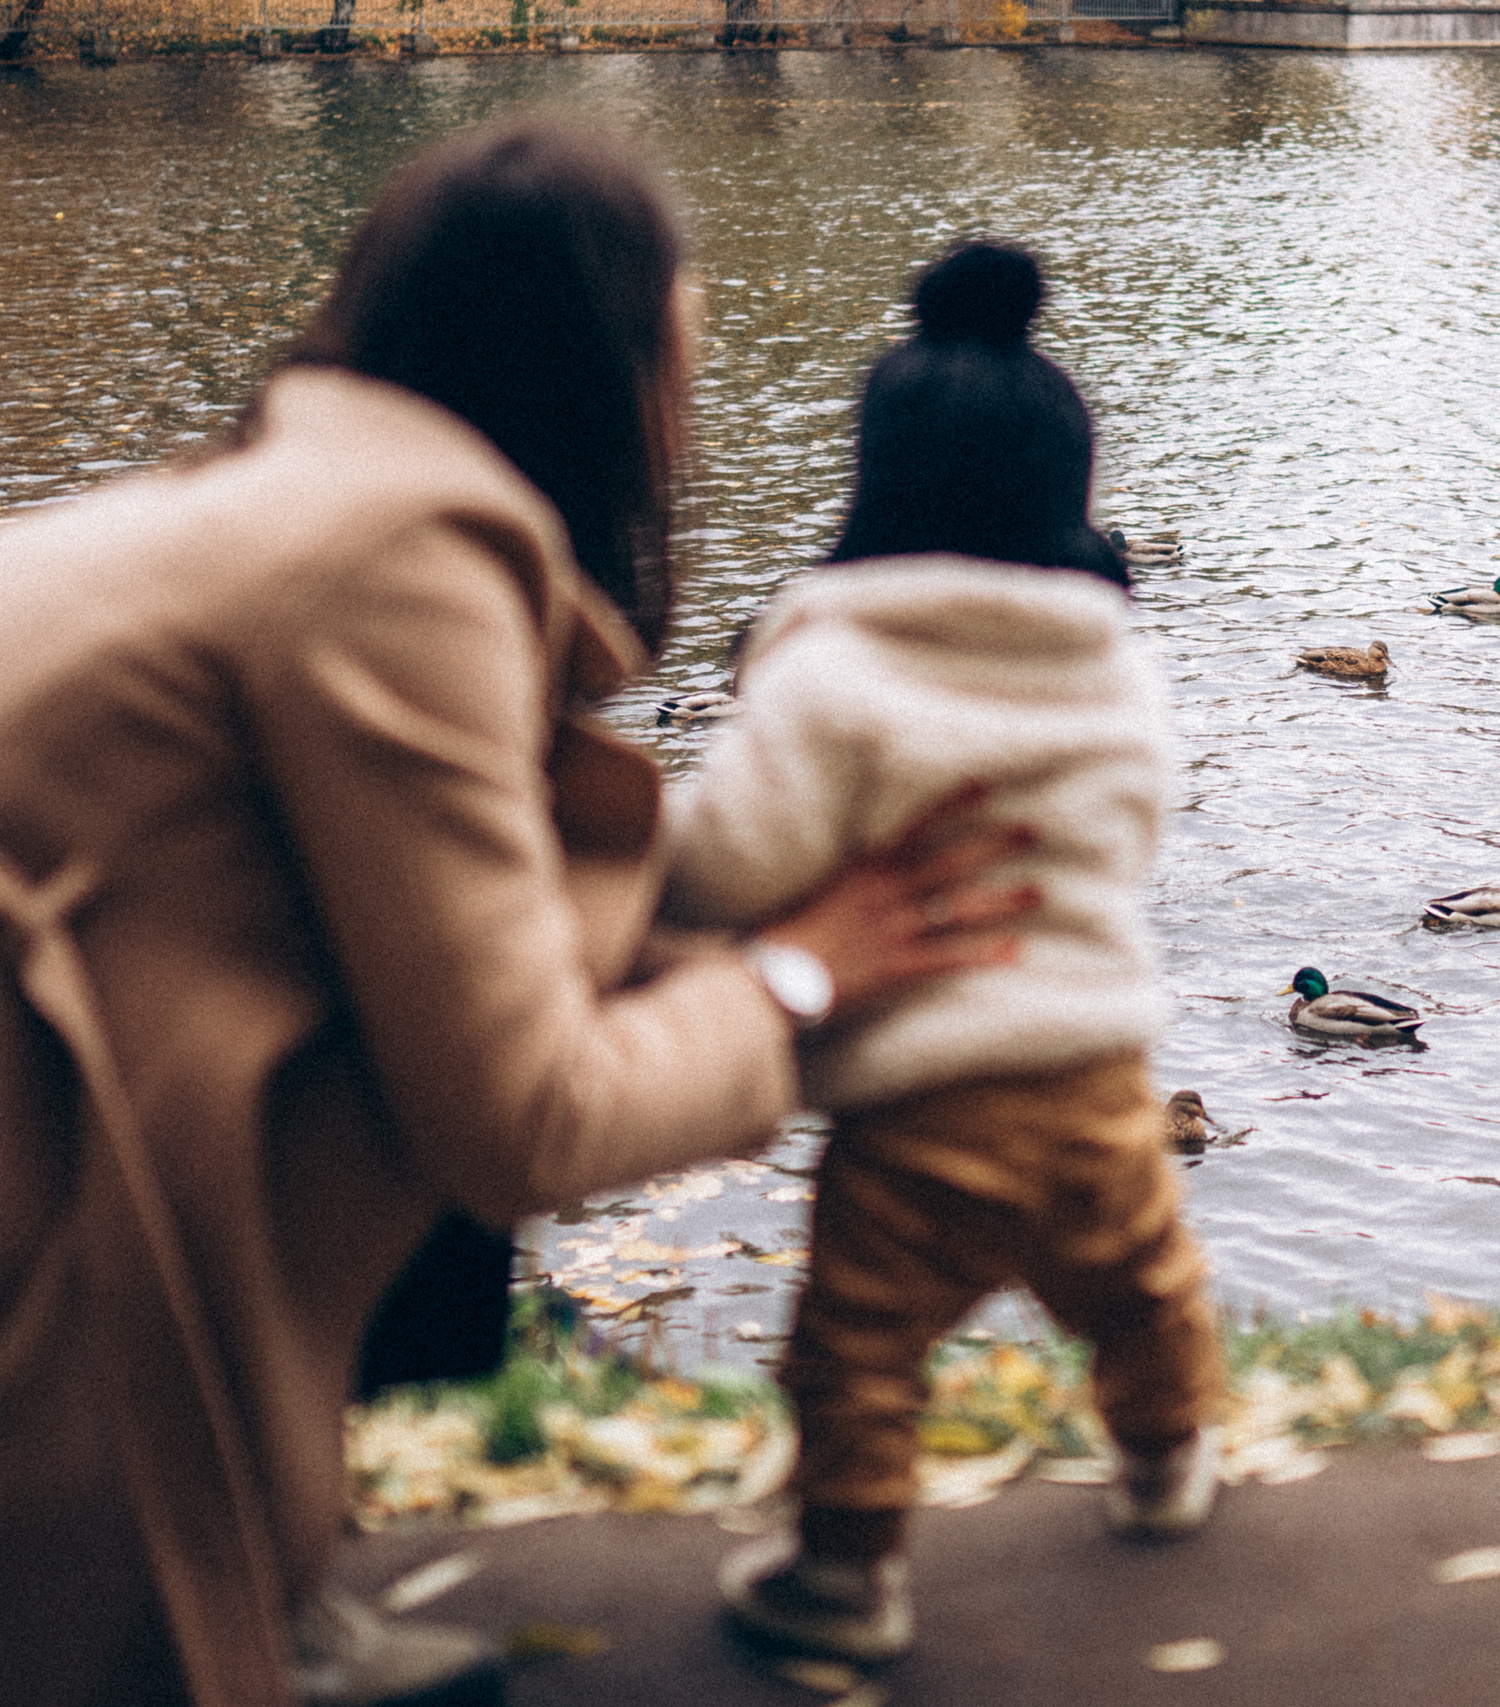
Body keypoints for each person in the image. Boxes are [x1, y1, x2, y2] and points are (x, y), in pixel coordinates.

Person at [0, 122, 1034, 1707]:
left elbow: (475, 925)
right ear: (601, 370)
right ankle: (175, 1580)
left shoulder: (282, 491)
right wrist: (801, 978)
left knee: (434, 991)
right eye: (684, 355)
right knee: (468, 1050)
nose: (686, 426)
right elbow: (522, 1117)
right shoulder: (400, 556)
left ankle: (265, 1571)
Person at [663, 242, 1225, 1664]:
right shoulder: (1114, 662)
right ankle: (1167, 1463)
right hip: (1098, 1069)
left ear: (876, 483)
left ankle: (846, 1575)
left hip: (918, 1103)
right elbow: (1142, 819)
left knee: (858, 1348)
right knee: (1143, 1283)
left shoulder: (833, 669)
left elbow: (733, 858)